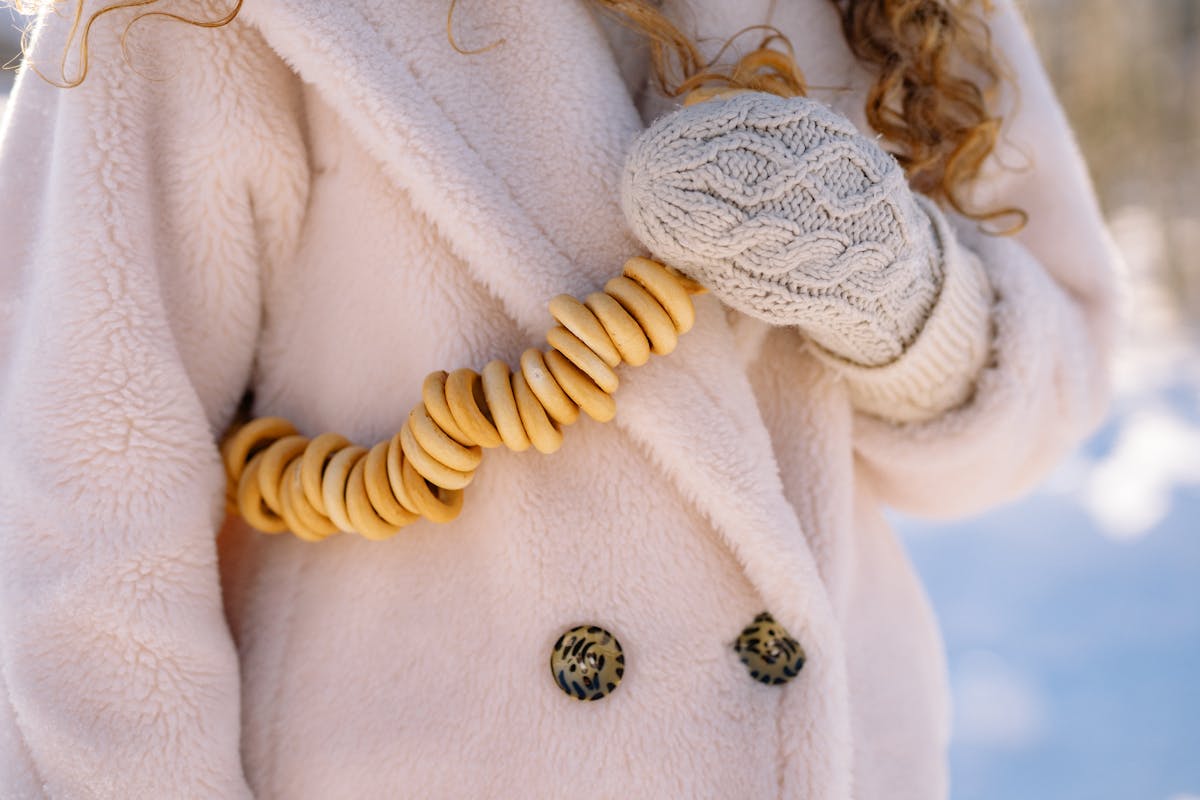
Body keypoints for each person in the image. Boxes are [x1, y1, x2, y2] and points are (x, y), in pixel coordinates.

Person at [0, 0, 1119, 797]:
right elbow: (87, 491)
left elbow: (1050, 393)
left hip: (831, 755)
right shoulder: (199, 19)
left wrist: (903, 296)